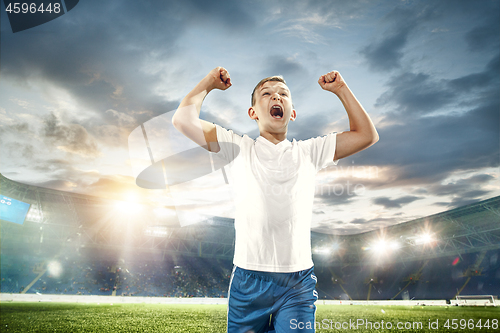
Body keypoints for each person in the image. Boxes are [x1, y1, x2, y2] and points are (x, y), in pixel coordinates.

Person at [172, 67, 378, 332]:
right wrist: (208, 83)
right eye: (267, 94)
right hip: (248, 280)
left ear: (291, 112)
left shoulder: (309, 152)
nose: (276, 97)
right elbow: (182, 119)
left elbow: (366, 135)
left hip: (297, 283)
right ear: (253, 112)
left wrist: (341, 89)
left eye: (283, 94)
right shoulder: (238, 148)